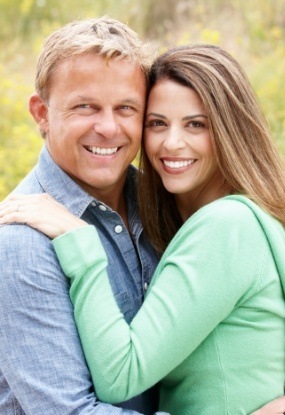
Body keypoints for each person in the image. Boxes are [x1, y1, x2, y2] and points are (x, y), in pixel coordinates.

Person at [1, 44, 284, 414]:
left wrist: (82, 249)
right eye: (158, 123)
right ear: (42, 113)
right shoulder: (23, 241)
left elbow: (123, 374)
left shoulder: (217, 223)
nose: (172, 143)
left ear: (231, 130)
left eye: (196, 124)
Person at [0, 16, 167, 415]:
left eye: (126, 108)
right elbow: (69, 411)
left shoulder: (160, 205)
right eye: (85, 107)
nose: (108, 128)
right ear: (41, 113)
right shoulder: (21, 244)